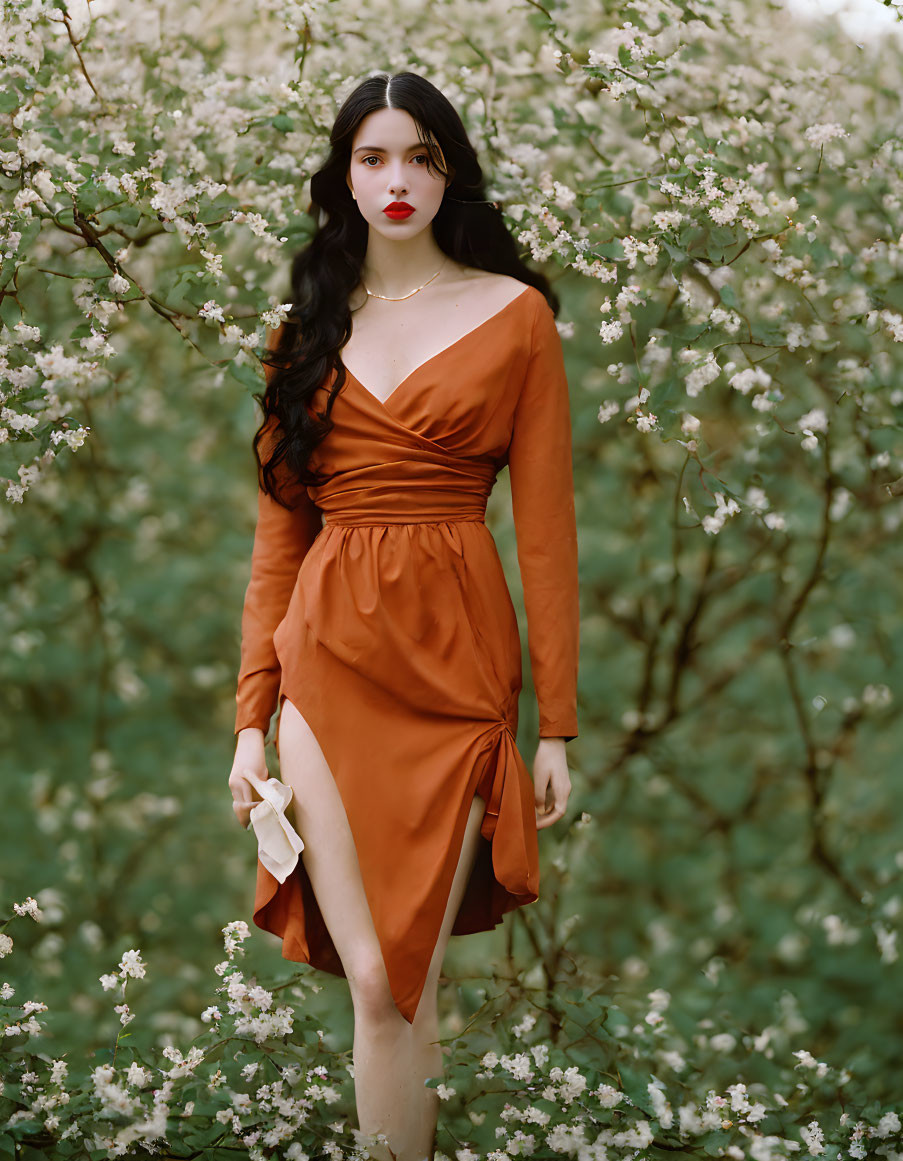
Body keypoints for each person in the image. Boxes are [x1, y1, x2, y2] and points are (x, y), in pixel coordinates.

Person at [227, 70, 580, 1161]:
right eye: (373, 157)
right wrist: (250, 718)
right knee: (376, 977)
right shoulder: (306, 329)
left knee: (413, 972)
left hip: (457, 669)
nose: (397, 180)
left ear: (449, 173)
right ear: (343, 176)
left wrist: (556, 725)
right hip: (324, 669)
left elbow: (548, 533)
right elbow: (278, 540)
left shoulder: (516, 316)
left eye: (421, 157)